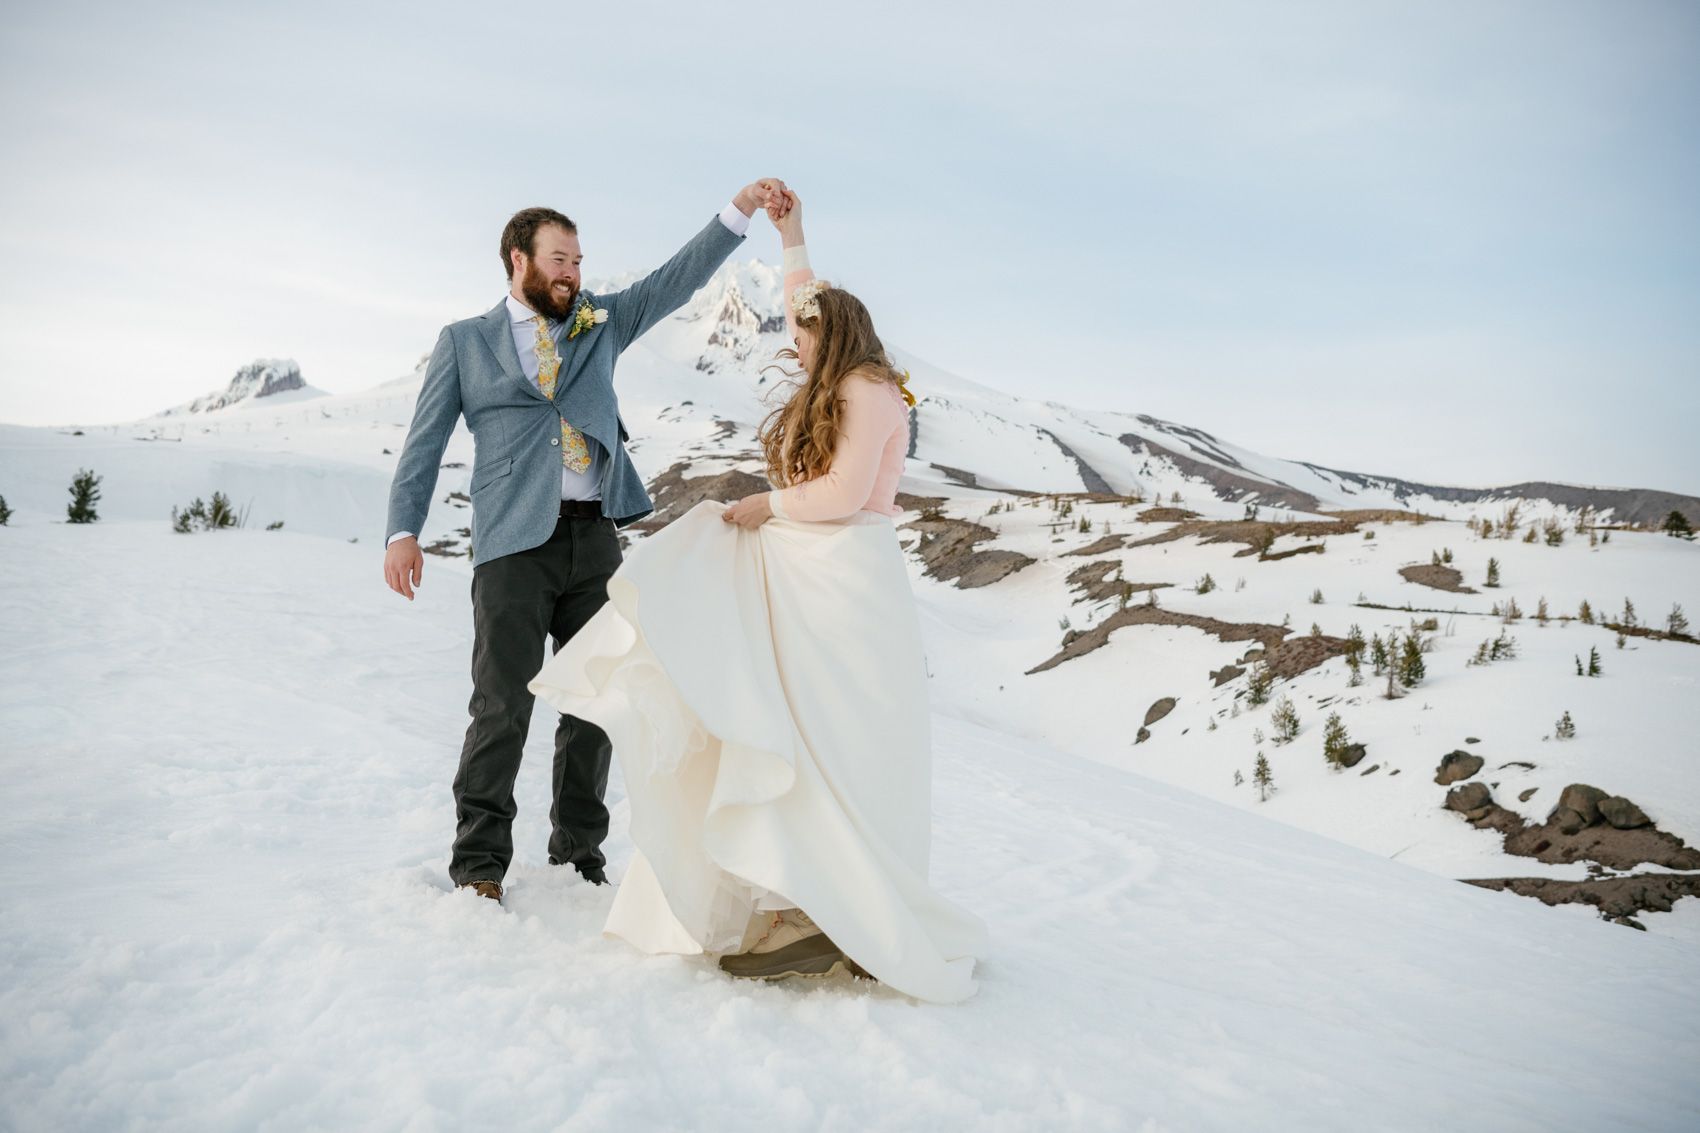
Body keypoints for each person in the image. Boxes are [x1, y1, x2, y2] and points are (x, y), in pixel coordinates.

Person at [527, 189, 988, 1004]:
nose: (796, 350)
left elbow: (842, 491)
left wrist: (763, 505)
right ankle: (796, 901)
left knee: (833, 740)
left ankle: (832, 910)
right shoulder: (856, 375)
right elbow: (804, 305)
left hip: (843, 580)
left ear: (833, 337)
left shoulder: (866, 392)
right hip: (824, 573)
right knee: (805, 732)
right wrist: (792, 236)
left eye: (806, 339)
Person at [382, 179, 793, 904]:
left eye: (578, 259)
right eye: (560, 258)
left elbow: (673, 281)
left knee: (596, 705)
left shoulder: (600, 323)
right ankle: (479, 863)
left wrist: (740, 211)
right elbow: (424, 444)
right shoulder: (465, 343)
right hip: (512, 546)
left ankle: (578, 854)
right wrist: (402, 530)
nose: (574, 271)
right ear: (520, 260)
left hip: (594, 540)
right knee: (501, 704)